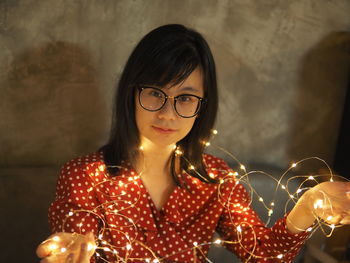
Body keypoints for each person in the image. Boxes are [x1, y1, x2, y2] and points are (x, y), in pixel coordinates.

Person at [36, 24, 350, 263]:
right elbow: (75, 236)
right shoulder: (86, 176)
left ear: (202, 105)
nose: (167, 113)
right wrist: (70, 249)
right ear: (131, 93)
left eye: (185, 98)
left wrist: (309, 205)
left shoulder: (216, 179)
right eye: (155, 93)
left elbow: (262, 254)